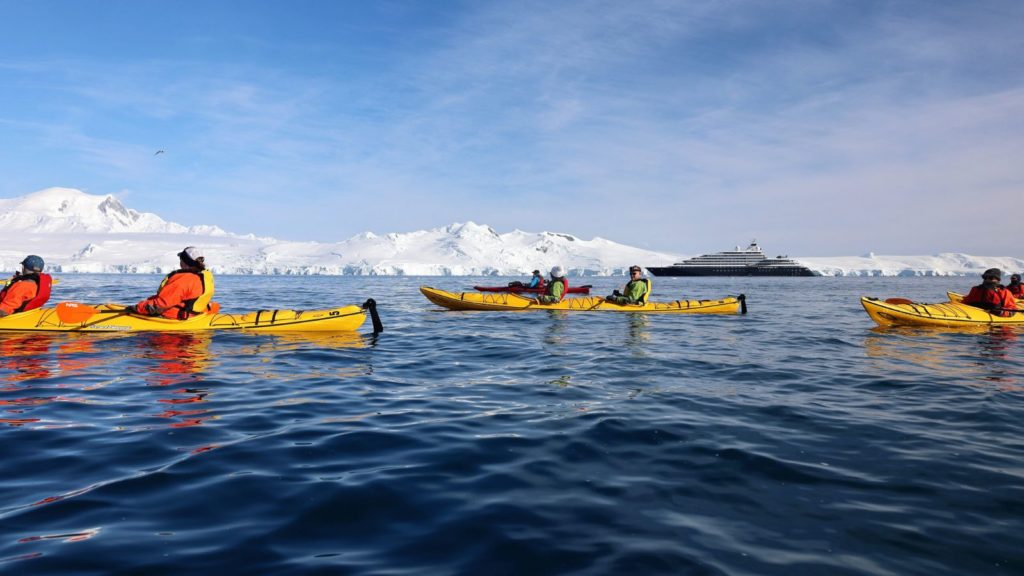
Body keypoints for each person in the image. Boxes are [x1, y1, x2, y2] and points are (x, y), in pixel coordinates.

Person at [135, 247, 215, 319]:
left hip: (174, 317)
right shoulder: (203, 276)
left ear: (184, 261)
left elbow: (163, 304)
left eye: (181, 258)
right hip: (194, 315)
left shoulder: (184, 279)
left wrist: (138, 307)